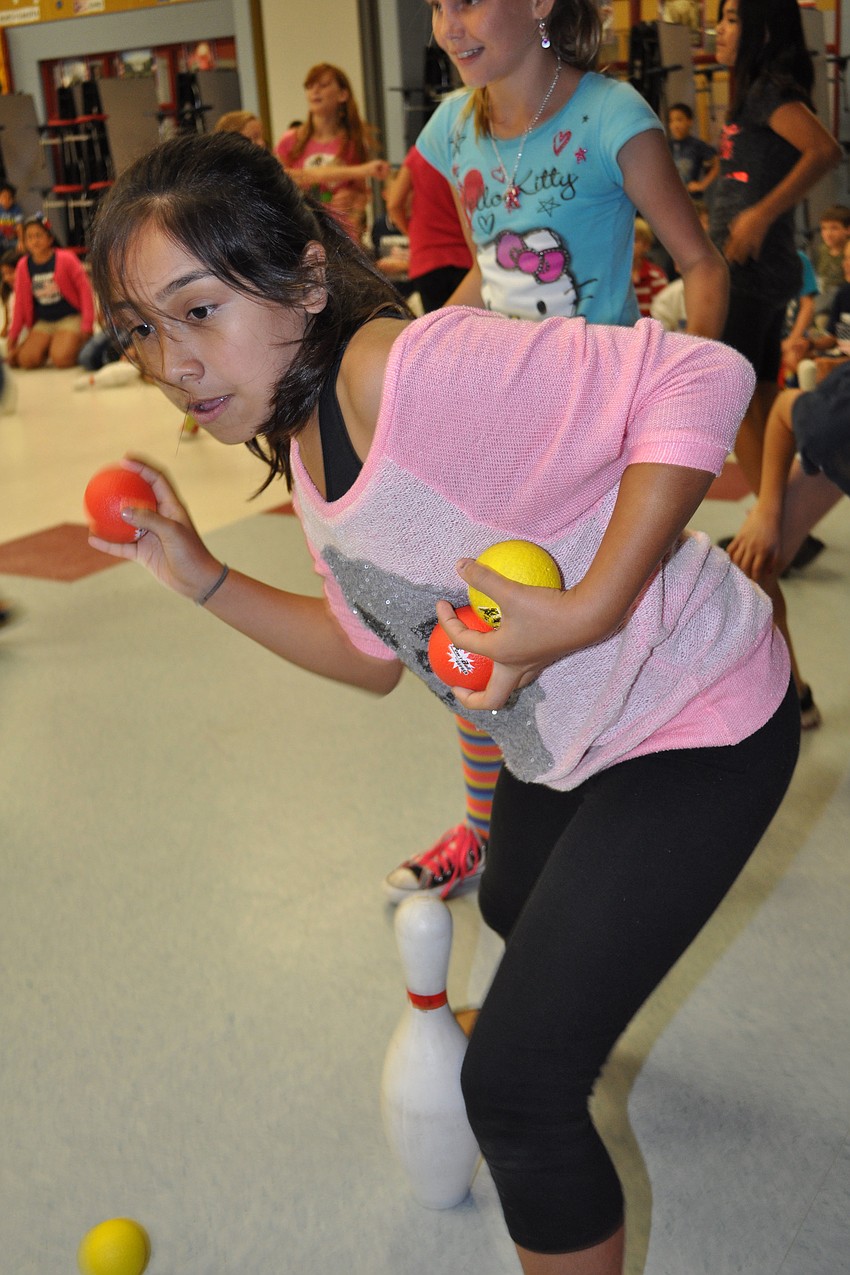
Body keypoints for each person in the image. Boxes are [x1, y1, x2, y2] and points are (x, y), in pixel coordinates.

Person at [88, 129, 797, 1275]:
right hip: (566, 739)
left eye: (199, 309)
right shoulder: (305, 439)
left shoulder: (403, 372)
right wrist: (203, 577)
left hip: (694, 715)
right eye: (142, 330)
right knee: (514, 902)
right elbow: (370, 653)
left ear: (307, 276)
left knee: (514, 1093)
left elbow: (701, 376)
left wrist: (588, 609)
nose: (173, 363)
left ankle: (545, 1074)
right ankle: (563, 1027)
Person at [388, 0, 730, 901]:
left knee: (600, 639)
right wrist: (408, 351)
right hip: (498, 434)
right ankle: (481, 828)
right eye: (435, 5)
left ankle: (600, 822)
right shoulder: (451, 130)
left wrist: (686, 418)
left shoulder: (614, 118)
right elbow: (492, 272)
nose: (447, 25)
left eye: (467, 0)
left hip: (598, 434)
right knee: (469, 631)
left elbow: (702, 264)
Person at [710, 0, 841, 495]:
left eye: (731, 19)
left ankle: (771, 522)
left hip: (749, 269)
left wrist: (760, 214)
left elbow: (826, 149)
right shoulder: (752, 96)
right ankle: (779, 514)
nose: (717, 31)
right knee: (759, 390)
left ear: (763, 31)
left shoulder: (769, 92)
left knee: (733, 397)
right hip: (755, 267)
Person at [728, 370, 849, 727]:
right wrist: (768, 509)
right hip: (838, 436)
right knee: (753, 566)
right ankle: (795, 698)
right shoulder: (837, 425)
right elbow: (783, 411)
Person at [275, 63, 389, 243]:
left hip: (341, 235)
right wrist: (362, 170)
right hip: (303, 232)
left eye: (323, 85)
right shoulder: (290, 140)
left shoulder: (352, 143)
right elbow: (285, 178)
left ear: (343, 95)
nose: (315, 91)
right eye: (310, 86)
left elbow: (362, 194)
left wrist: (354, 206)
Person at [381, 148, 473, 312]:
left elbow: (394, 204)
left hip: (427, 258)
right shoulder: (466, 148)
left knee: (437, 328)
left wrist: (413, 235)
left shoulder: (420, 151)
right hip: (466, 257)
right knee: (472, 326)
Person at [6, 214, 94, 370]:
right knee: (27, 361)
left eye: (39, 235)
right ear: (25, 242)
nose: (35, 241)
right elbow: (20, 303)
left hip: (70, 317)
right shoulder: (23, 266)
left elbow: (85, 292)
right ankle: (50, 344)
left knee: (61, 359)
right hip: (45, 322)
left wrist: (87, 325)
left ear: (49, 239)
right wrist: (13, 336)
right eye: (30, 237)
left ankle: (67, 343)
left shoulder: (66, 259)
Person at [666, 101, 719, 197]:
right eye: (671, 121)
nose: (675, 125)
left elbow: (718, 163)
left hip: (692, 199)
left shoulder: (696, 145)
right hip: (671, 198)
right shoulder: (666, 146)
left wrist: (702, 185)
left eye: (679, 120)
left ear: (690, 121)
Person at [811, 203, 850, 314]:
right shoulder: (822, 250)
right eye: (824, 228)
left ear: (848, 230)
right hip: (824, 295)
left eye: (834, 228)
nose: (828, 234)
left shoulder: (848, 250)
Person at [631, 218, 668, 317]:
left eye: (634, 240)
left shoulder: (655, 276)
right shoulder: (611, 275)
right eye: (624, 239)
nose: (628, 244)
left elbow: (662, 314)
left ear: (646, 246)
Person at [0, 182, 25, 249]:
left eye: (10, 198)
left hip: (12, 240)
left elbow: (19, 226)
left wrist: (21, 241)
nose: (7, 200)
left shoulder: (16, 209)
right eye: (4, 197)